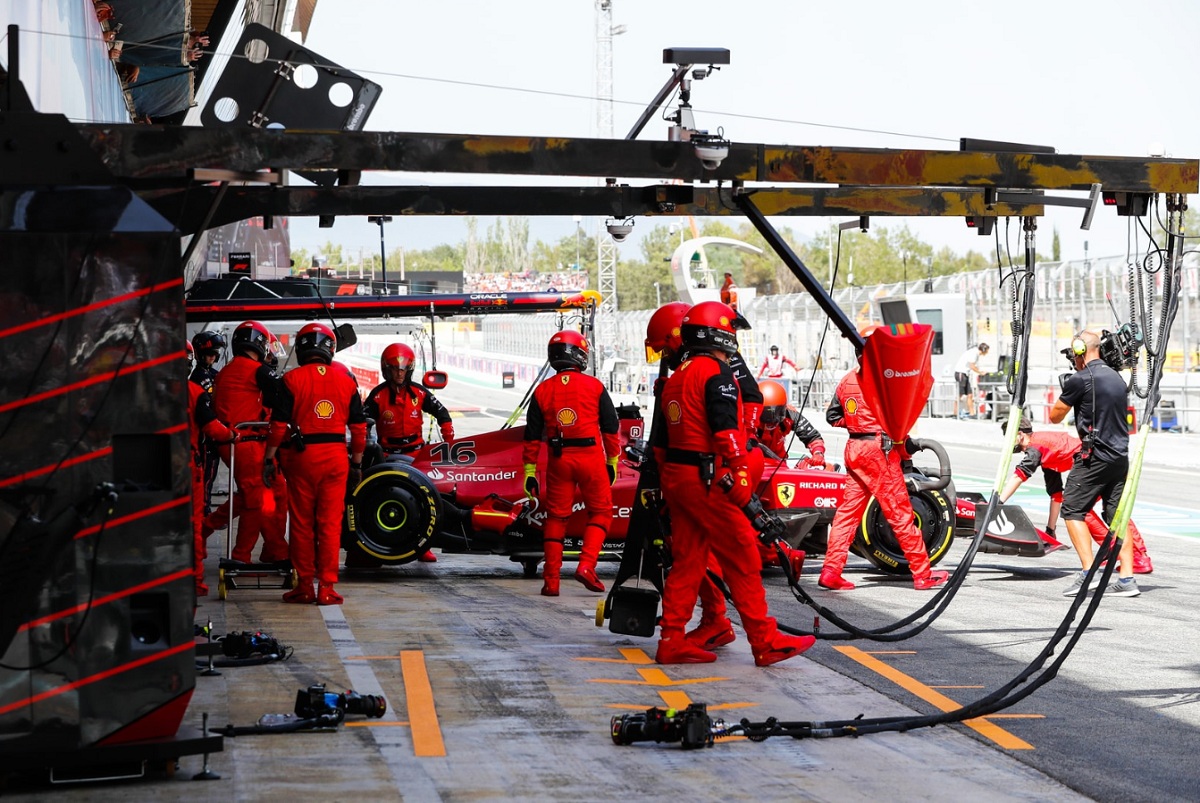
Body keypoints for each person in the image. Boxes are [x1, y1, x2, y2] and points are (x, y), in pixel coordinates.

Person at [652, 300, 815, 666]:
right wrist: (740, 477)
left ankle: (671, 639)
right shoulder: (717, 374)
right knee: (742, 555)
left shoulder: (674, 378)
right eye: (732, 330)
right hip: (708, 478)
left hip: (679, 479)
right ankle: (764, 639)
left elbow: (660, 447)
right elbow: (728, 434)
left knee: (689, 561)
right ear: (719, 332)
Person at [819, 346, 949, 592]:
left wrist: (858, 423)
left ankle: (830, 571)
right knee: (900, 512)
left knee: (847, 514)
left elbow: (833, 416)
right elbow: (897, 421)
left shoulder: (846, 380)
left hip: (854, 448)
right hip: (879, 452)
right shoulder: (884, 382)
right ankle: (923, 574)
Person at [264, 322, 367, 605]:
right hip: (335, 458)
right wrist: (356, 465)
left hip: (302, 458)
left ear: (301, 348)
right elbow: (359, 429)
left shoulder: (291, 379)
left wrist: (269, 458)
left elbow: (278, 425)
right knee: (330, 523)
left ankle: (305, 585)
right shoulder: (346, 381)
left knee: (301, 522)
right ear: (330, 349)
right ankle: (327, 588)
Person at [522, 330, 620, 597]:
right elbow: (611, 428)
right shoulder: (595, 386)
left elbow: (531, 435)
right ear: (579, 355)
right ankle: (587, 565)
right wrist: (613, 460)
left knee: (556, 517)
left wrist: (529, 471)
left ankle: (551, 581)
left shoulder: (542, 390)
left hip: (558, 460)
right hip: (590, 457)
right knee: (601, 512)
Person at [1049, 330, 1139, 597]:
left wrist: (1070, 390)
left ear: (1079, 350)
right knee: (1117, 518)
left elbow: (1055, 416)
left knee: (1072, 509)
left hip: (1095, 457)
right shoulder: (1117, 378)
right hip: (1120, 458)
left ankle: (1088, 573)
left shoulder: (1080, 379)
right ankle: (1127, 579)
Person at [999, 418, 1152, 573]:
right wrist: (1050, 530)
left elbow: (1019, 476)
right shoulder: (1046, 452)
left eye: (1008, 437)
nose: (1007, 442)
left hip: (1095, 465)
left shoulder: (1036, 446)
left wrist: (998, 502)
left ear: (1019, 434)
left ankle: (1117, 551)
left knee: (1078, 511)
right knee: (1113, 511)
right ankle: (1140, 557)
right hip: (1107, 461)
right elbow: (1056, 495)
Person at [204, 320, 289, 565]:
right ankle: (261, 553)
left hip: (244, 442)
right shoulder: (254, 370)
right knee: (255, 499)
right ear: (259, 343)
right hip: (245, 442)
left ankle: (270, 551)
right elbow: (281, 395)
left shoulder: (231, 370)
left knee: (273, 493)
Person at [363, 342, 454, 562]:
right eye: (395, 368)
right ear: (386, 369)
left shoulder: (419, 393)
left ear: (409, 369)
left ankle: (424, 547)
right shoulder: (377, 395)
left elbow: (442, 413)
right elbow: (361, 422)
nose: (399, 373)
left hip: (416, 456)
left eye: (403, 368)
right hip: (385, 456)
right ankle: (369, 547)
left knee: (425, 499)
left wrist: (449, 440)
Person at [186, 341, 237, 597]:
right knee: (193, 525)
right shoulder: (194, 391)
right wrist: (233, 435)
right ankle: (194, 581)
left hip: (154, 469)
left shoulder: (147, 391)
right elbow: (212, 427)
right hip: (188, 466)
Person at [190, 330, 226, 514]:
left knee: (210, 474)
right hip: (205, 434)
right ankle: (203, 511)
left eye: (214, 354)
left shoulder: (215, 374)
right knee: (205, 476)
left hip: (214, 432)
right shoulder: (198, 377)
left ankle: (204, 509)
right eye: (209, 354)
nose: (212, 357)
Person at [757, 379, 827, 468]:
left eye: (778, 412)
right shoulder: (746, 418)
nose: (773, 419)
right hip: (753, 462)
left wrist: (818, 453)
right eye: (767, 414)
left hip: (779, 463)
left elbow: (812, 437)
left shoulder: (790, 415)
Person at [953, 342, 990, 419]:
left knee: (970, 395)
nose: (987, 353)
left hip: (965, 374)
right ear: (983, 350)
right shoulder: (974, 353)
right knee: (960, 394)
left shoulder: (975, 353)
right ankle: (955, 413)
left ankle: (972, 414)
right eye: (986, 351)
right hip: (961, 373)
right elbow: (972, 366)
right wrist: (981, 372)